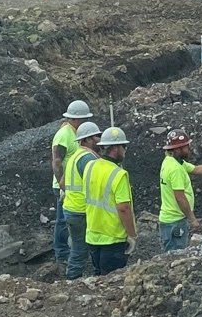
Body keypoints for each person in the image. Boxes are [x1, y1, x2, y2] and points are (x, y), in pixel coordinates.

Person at [158, 130, 202, 253]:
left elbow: (196, 169)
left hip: (171, 221)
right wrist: (193, 219)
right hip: (175, 223)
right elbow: (180, 197)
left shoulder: (171, 161)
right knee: (175, 257)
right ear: (178, 149)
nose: (189, 149)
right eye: (186, 146)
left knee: (172, 257)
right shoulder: (175, 169)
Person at [82, 126, 137, 275]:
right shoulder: (119, 174)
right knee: (112, 282)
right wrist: (132, 235)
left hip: (93, 235)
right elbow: (123, 208)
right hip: (113, 239)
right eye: (124, 146)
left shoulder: (90, 166)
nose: (125, 150)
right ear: (115, 148)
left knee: (98, 279)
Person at [50, 98, 93, 269]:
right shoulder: (64, 135)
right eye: (84, 119)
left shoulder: (76, 132)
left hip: (73, 184)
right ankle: (61, 253)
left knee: (68, 220)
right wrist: (61, 182)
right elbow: (56, 160)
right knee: (62, 221)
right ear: (75, 119)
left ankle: (72, 250)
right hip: (63, 185)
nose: (86, 122)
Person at [60, 118, 102, 279]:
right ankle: (72, 280)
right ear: (88, 139)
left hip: (71, 208)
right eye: (97, 136)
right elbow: (98, 185)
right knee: (81, 248)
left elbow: (63, 182)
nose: (100, 139)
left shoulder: (75, 156)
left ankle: (75, 278)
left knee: (79, 246)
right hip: (81, 211)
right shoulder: (88, 159)